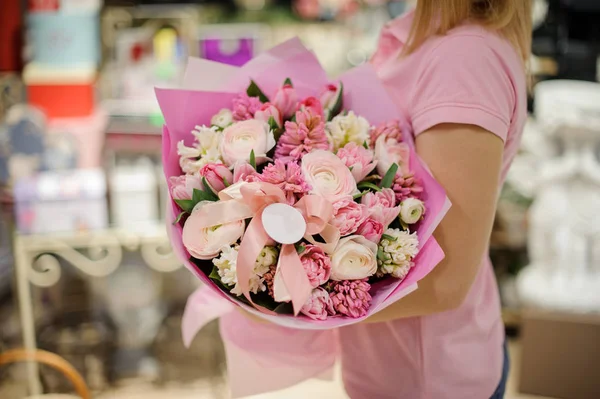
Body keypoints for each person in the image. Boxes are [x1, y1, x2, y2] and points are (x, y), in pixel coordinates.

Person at [339, 1, 531, 398]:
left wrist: (290, 303)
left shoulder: (463, 62)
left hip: (427, 380)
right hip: (389, 367)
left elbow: (444, 282)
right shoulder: (424, 35)